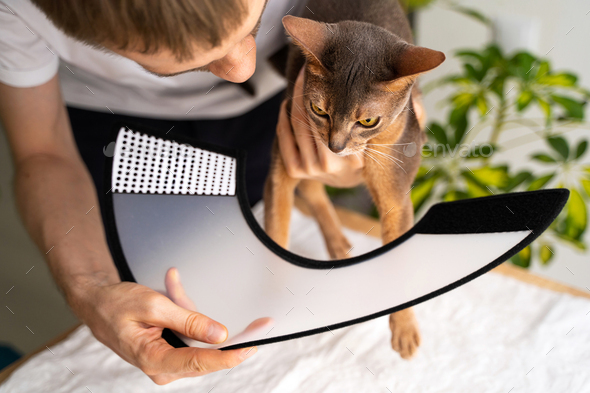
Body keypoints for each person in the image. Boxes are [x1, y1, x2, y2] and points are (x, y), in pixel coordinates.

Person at [0, 0, 365, 385]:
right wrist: (91, 288)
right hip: (111, 120)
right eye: (193, 62)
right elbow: (43, 151)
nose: (242, 70)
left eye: (252, 26)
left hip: (278, 102)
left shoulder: (257, 68)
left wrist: (362, 159)